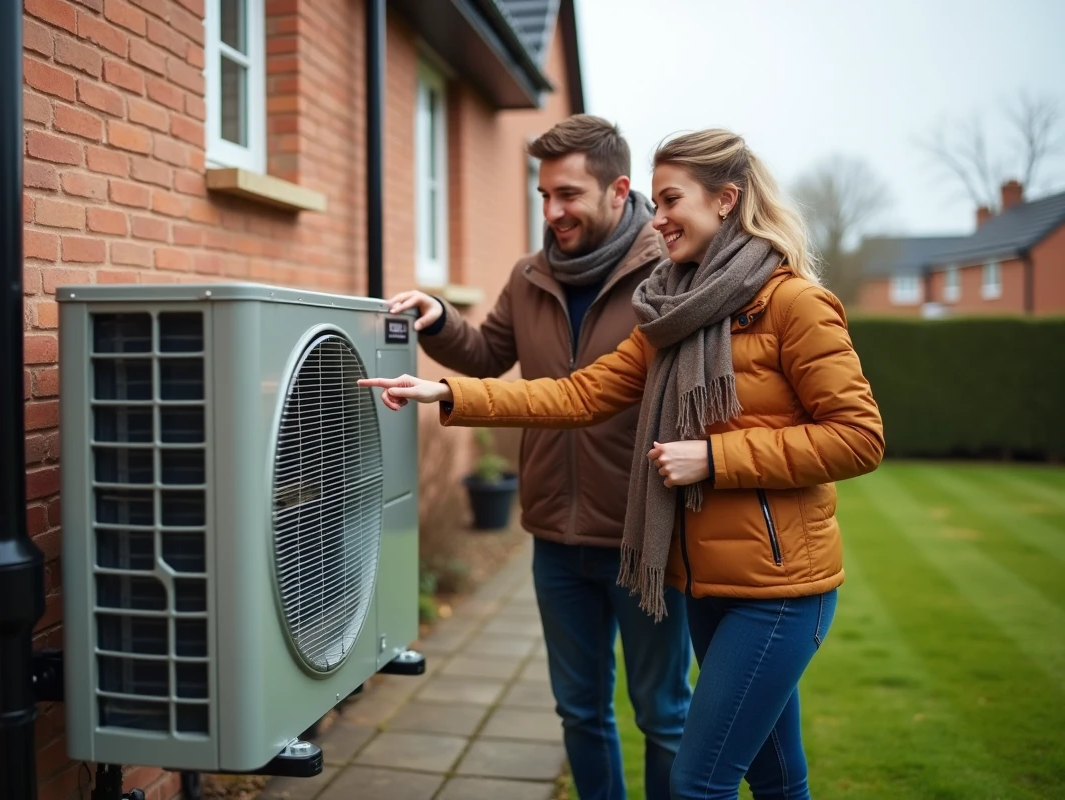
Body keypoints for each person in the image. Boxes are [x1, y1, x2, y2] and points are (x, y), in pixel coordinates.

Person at [363, 129, 885, 800]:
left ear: (726, 201)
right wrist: (449, 392)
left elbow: (859, 437)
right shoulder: (673, 312)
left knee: (698, 782)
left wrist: (716, 457)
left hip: (782, 593)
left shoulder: (794, 304)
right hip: (706, 587)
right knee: (780, 780)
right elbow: (581, 393)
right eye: (656, 198)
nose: (657, 214)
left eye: (672, 199)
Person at [386, 114, 691, 800]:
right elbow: (490, 355)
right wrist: (439, 317)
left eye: (569, 195)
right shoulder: (530, 277)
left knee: (663, 716)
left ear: (619, 190)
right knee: (580, 712)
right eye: (544, 196)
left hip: (644, 536)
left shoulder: (672, 271)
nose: (552, 212)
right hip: (555, 536)